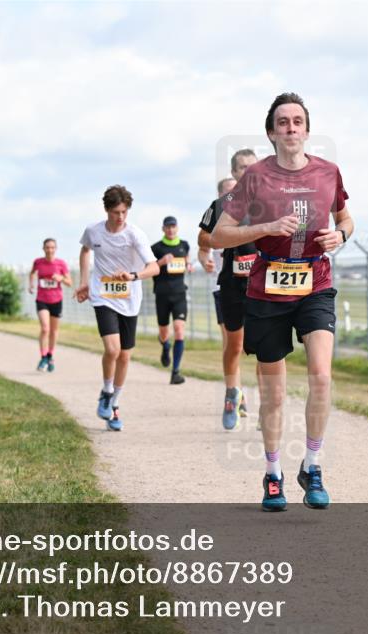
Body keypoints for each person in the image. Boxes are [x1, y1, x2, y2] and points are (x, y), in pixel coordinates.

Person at [211, 93, 354, 512]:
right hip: (267, 289)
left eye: (297, 121)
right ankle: (273, 474)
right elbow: (220, 234)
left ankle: (312, 465)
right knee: (274, 395)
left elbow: (346, 217)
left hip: (315, 282)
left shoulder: (329, 172)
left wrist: (340, 236)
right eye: (283, 123)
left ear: (307, 129)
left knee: (322, 377)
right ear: (272, 132)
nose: (291, 129)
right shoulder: (255, 177)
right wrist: (267, 225)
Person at [74, 185, 159, 431]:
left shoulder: (135, 235)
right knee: (112, 349)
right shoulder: (93, 231)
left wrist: (133, 276)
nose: (120, 217)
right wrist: (83, 282)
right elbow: (85, 250)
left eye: (124, 212)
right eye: (115, 212)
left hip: (129, 298)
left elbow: (154, 267)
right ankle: (106, 391)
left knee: (125, 355)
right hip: (102, 295)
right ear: (107, 210)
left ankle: (114, 405)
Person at [199, 149, 259, 430]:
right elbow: (203, 237)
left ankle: (268, 405)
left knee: (264, 347)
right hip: (232, 284)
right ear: (234, 174)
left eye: (252, 166)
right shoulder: (221, 204)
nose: (247, 171)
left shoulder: (272, 202)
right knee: (234, 345)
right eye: (242, 168)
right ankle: (231, 393)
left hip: (264, 284)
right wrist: (223, 240)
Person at [150, 215, 192, 384]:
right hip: (161, 294)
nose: (170, 229)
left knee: (179, 330)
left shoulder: (184, 245)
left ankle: (175, 372)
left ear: (177, 228)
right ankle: (166, 346)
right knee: (164, 333)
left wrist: (189, 265)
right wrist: (161, 262)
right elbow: (148, 268)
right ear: (163, 229)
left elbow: (187, 260)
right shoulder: (155, 248)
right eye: (167, 227)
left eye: (173, 226)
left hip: (179, 294)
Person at [29, 238, 72, 372]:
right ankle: (43, 357)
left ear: (56, 249)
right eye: (47, 247)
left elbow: (69, 282)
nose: (50, 250)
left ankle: (50, 355)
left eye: (52, 247)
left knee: (53, 331)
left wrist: (61, 278)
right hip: (42, 299)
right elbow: (32, 273)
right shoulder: (38, 262)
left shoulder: (61, 264)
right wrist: (31, 284)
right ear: (43, 248)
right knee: (45, 329)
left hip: (56, 300)